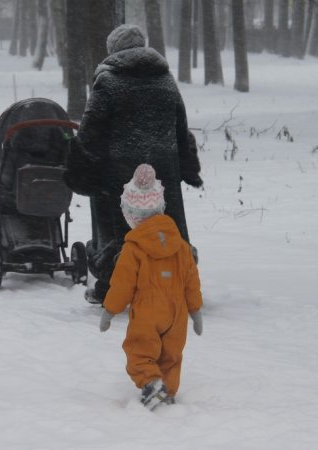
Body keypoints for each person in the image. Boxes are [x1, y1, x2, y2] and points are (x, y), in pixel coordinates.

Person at [64, 24, 203, 304]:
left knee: (118, 230)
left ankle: (111, 287)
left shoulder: (109, 82)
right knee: (168, 226)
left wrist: (79, 166)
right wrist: (187, 167)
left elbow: (91, 131)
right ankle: (177, 283)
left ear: (113, 49)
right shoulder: (166, 81)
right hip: (163, 172)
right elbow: (181, 129)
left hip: (120, 174)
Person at [98, 164, 203, 411]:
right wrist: (195, 311)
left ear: (132, 215)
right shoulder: (181, 245)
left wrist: (110, 311)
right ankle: (167, 392)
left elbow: (122, 284)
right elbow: (191, 280)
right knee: (171, 355)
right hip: (176, 313)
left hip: (148, 310)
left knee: (139, 350)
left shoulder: (133, 248)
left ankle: (152, 383)